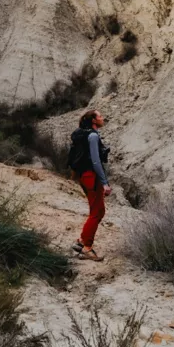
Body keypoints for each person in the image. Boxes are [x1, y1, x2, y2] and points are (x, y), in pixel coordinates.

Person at [68, 109, 111, 261]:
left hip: (84, 176)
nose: (102, 117)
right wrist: (105, 183)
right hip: (91, 177)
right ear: (94, 120)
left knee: (99, 211)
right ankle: (87, 248)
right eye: (100, 116)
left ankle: (81, 241)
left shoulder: (82, 133)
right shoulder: (92, 136)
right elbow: (95, 161)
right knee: (96, 212)